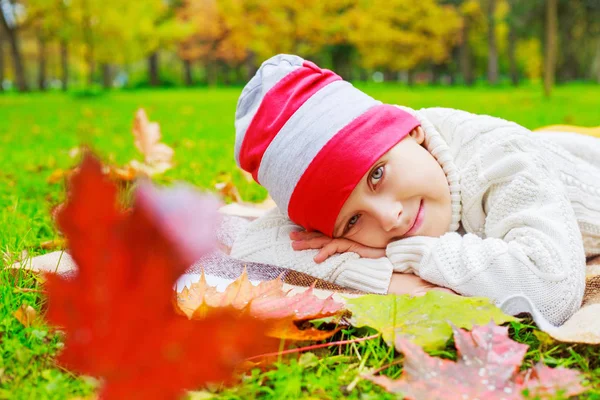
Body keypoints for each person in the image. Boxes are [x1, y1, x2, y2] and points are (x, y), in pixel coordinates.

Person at [229, 54, 600, 327]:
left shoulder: (500, 157)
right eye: (353, 220)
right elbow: (252, 246)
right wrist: (390, 281)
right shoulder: (401, 158)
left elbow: (551, 294)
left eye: (377, 175)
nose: (390, 218)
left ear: (411, 131)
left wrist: (411, 255)